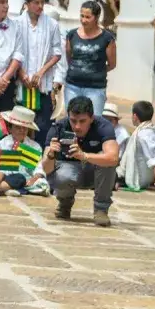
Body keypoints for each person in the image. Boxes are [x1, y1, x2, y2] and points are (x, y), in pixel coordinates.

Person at [43, 95, 119, 225]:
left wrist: (83, 155)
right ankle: (64, 204)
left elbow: (113, 158)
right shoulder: (58, 128)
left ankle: (101, 209)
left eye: (82, 121)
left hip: (95, 172)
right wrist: (50, 155)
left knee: (106, 160)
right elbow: (46, 169)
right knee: (62, 175)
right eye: (73, 121)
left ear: (92, 118)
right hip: (69, 171)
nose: (77, 126)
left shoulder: (103, 126)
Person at [18, 0, 63, 143]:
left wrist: (41, 72)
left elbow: (57, 53)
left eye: (42, 2)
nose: (40, 6)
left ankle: (41, 163)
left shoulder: (51, 24)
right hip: (22, 84)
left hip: (43, 84)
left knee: (43, 128)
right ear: (27, 4)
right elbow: (13, 53)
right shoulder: (17, 24)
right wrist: (22, 74)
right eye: (36, 3)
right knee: (21, 126)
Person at [65, 1, 116, 115]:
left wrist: (96, 69)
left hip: (95, 88)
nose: (84, 20)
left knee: (94, 120)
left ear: (97, 17)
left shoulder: (107, 38)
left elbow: (112, 64)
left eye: (88, 17)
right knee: (71, 119)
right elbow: (69, 58)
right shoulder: (72, 35)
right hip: (72, 86)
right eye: (82, 16)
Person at [0, 106, 50, 196]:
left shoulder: (35, 146)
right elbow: (1, 170)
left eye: (25, 128)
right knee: (10, 178)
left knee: (43, 184)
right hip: (8, 178)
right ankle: (8, 188)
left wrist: (34, 179)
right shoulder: (1, 144)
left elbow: (39, 169)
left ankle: (10, 189)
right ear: (10, 128)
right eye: (18, 127)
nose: (22, 130)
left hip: (28, 181)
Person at [118, 101, 155, 193]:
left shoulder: (144, 135)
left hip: (138, 180)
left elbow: (154, 161)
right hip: (146, 179)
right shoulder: (153, 130)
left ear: (135, 116)